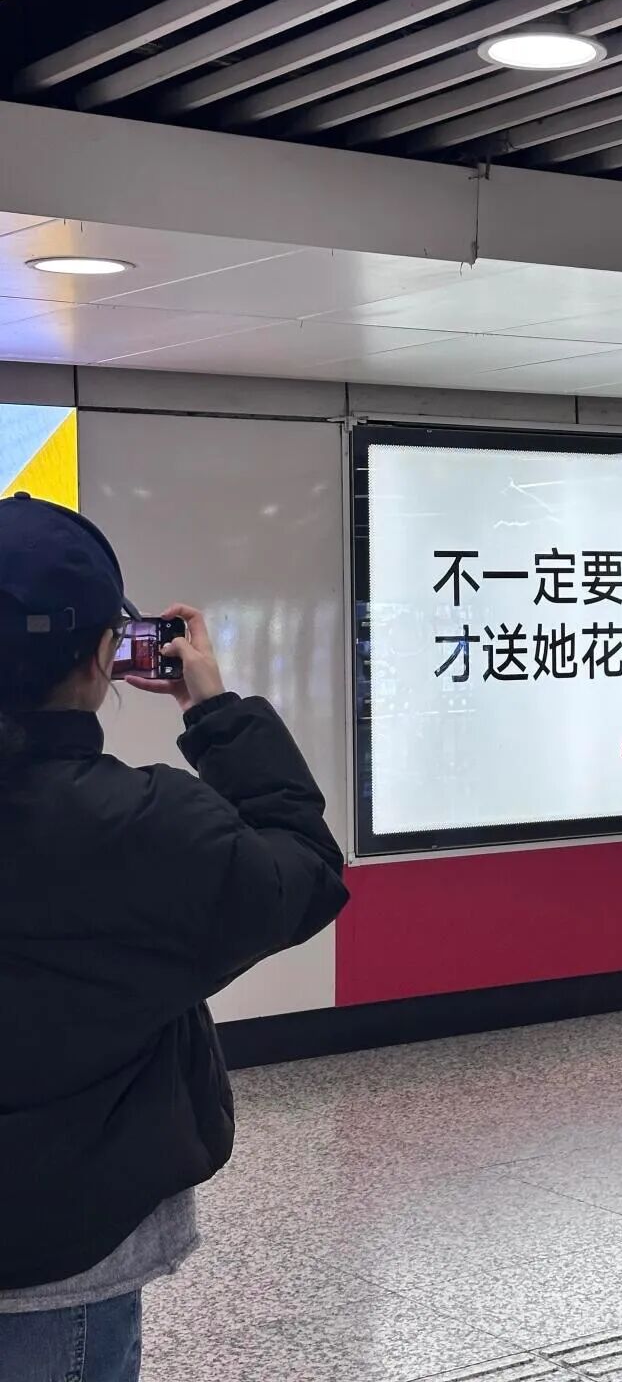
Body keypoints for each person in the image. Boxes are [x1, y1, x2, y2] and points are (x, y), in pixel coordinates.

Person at [0, 495, 350, 1380]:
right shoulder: (146, 824)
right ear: (103, 655)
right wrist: (215, 709)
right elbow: (305, 872)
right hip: (63, 1258)